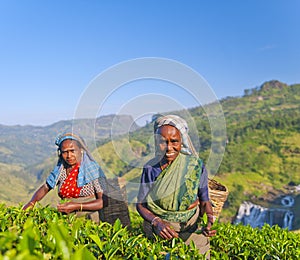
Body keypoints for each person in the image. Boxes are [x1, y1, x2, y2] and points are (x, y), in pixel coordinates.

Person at [136, 115, 216, 258]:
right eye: (163, 142)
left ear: (181, 142)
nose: (169, 148)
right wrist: (157, 222)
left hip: (191, 228)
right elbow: (140, 205)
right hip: (162, 230)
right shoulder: (150, 168)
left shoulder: (195, 166)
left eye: (174, 141)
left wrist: (209, 219)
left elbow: (204, 201)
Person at [23, 132, 107, 223]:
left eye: (72, 151)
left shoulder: (92, 170)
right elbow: (45, 187)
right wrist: (31, 203)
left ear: (81, 150)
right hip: (67, 219)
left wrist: (77, 206)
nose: (69, 156)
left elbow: (102, 201)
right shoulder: (61, 169)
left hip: (89, 220)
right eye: (65, 152)